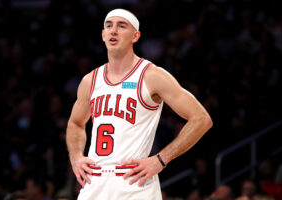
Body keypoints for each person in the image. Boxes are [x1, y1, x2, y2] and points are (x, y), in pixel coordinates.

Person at [66, 8, 213, 200]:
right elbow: (75, 123)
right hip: (95, 182)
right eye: (108, 26)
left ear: (135, 36)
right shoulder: (90, 81)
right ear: (103, 35)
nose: (113, 30)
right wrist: (76, 157)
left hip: (134, 182)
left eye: (121, 26)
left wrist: (161, 159)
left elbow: (202, 119)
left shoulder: (152, 75)